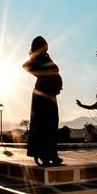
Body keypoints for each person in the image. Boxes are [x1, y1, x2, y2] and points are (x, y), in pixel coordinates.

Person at [23, 36, 64, 166]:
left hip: (50, 94)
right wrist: (43, 75)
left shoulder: (46, 57)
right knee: (43, 124)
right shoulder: (37, 57)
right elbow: (26, 66)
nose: (46, 46)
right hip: (42, 94)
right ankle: (43, 155)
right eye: (44, 44)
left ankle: (52, 154)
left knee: (52, 123)